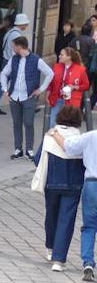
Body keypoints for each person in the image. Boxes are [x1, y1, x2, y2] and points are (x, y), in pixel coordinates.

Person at [35, 105, 85, 272]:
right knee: (66, 220)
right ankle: (59, 260)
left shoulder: (50, 136)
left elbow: (37, 159)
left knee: (51, 216)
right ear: (78, 121)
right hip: (74, 185)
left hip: (53, 183)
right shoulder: (80, 139)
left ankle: (50, 247)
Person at [50, 122, 97, 281]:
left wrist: (55, 133)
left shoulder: (91, 136)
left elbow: (67, 146)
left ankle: (88, 263)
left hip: (92, 184)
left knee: (89, 226)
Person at [0, 35, 53, 160]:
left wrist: (41, 89)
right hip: (14, 96)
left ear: (19, 47)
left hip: (28, 96)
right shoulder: (14, 59)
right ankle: (18, 149)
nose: (13, 49)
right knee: (16, 123)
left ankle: (29, 149)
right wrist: (5, 89)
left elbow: (50, 73)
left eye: (14, 46)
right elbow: (4, 73)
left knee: (29, 123)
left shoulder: (36, 59)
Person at [47, 46, 90, 129]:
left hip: (72, 101)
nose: (59, 56)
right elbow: (51, 83)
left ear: (69, 57)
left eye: (61, 55)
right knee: (52, 123)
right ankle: (54, 140)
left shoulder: (80, 70)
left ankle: (65, 141)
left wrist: (74, 87)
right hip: (57, 99)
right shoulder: (56, 67)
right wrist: (47, 94)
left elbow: (86, 85)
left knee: (68, 126)